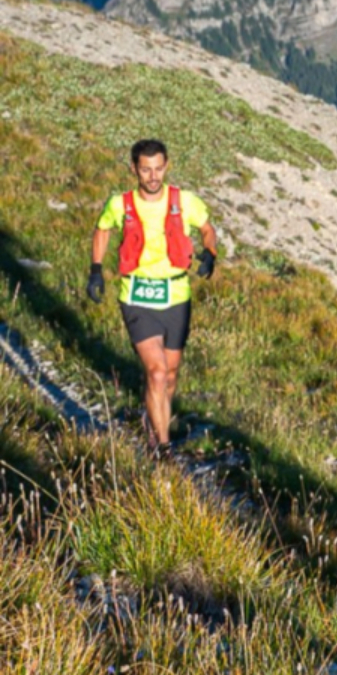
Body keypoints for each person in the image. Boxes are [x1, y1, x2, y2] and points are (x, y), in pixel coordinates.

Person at [87, 139, 218, 454]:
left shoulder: (184, 201)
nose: (153, 176)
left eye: (158, 168)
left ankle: (153, 419)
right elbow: (103, 229)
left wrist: (211, 253)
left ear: (167, 165)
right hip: (136, 294)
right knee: (157, 372)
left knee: (169, 376)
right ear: (133, 169)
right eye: (146, 170)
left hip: (176, 295)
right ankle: (162, 449)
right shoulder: (120, 204)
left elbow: (207, 228)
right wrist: (95, 269)